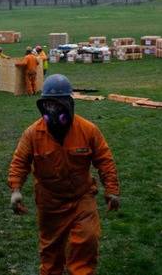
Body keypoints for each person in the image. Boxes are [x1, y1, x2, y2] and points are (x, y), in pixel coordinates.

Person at [8, 74, 120, 275]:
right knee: (51, 253)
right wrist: (15, 189)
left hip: (81, 198)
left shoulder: (87, 130)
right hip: (50, 202)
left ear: (69, 105)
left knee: (87, 238)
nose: (53, 112)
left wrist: (111, 190)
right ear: (43, 107)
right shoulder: (33, 134)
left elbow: (104, 159)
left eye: (58, 106)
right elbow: (20, 162)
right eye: (48, 107)